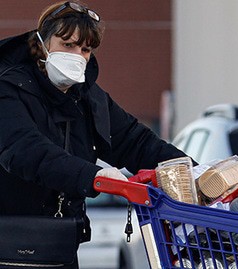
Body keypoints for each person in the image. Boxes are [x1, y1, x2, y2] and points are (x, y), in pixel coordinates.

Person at [0, 1, 196, 268]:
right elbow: (24, 150)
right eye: (67, 45)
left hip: (58, 243)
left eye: (86, 49)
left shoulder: (88, 98)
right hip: (10, 239)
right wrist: (92, 176)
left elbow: (135, 141)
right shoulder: (9, 88)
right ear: (42, 44)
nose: (77, 55)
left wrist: (193, 172)